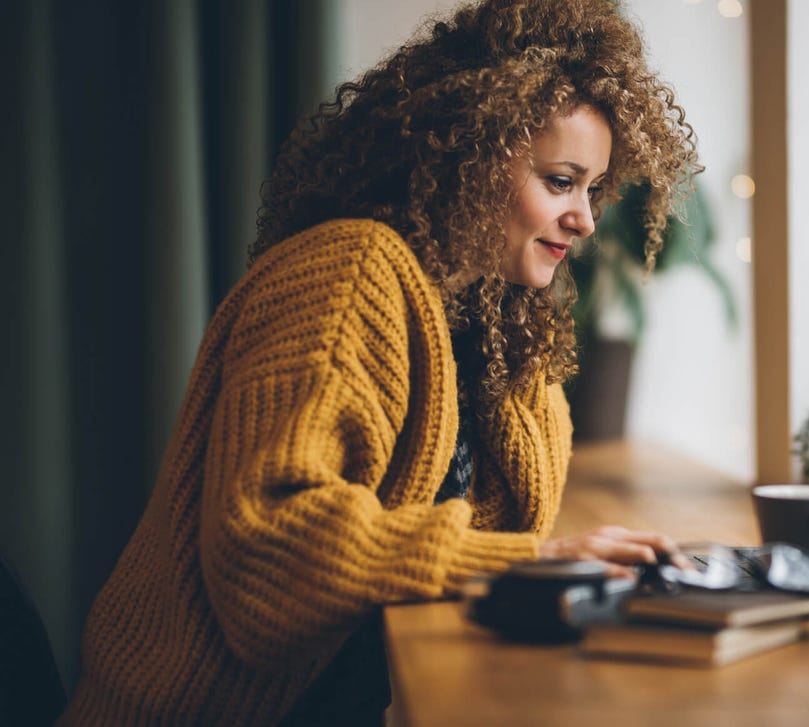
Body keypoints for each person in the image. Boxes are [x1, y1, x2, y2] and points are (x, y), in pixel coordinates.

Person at [60, 0, 700, 724]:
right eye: (559, 181)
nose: (585, 217)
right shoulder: (351, 272)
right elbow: (266, 554)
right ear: (470, 155)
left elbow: (496, 530)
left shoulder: (492, 319)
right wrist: (529, 563)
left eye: (594, 189)